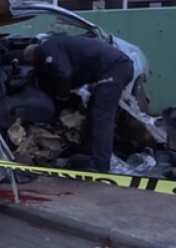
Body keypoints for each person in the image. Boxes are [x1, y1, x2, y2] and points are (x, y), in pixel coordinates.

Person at [23, 35, 134, 172]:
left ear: (32, 59)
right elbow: (74, 74)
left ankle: (100, 165)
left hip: (114, 68)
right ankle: (90, 156)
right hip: (113, 68)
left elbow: (64, 73)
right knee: (93, 114)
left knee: (101, 117)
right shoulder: (56, 47)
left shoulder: (45, 50)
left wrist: (62, 97)